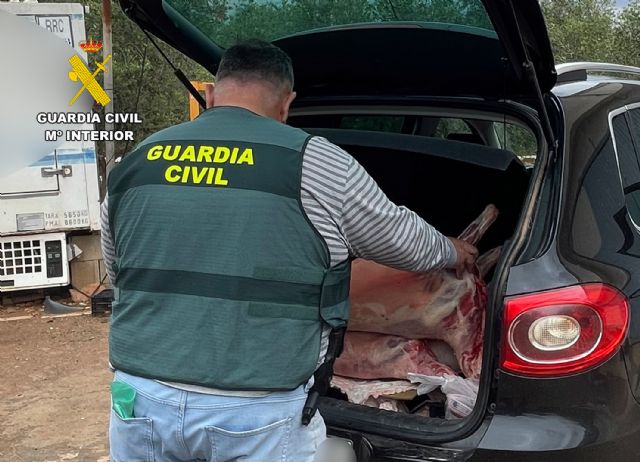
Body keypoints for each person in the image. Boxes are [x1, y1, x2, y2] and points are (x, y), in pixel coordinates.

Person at [101, 39, 478, 462]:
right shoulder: (314, 162)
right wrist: (450, 250)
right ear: (287, 103)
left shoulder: (136, 161)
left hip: (141, 400)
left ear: (209, 94)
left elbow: (120, 275)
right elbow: (402, 242)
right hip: (255, 411)